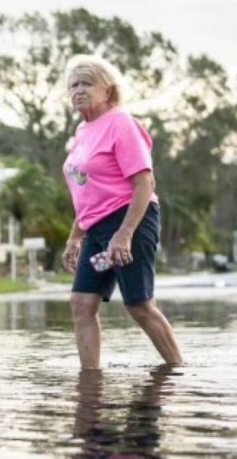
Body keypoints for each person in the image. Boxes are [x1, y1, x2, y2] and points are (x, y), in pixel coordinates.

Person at [61, 55, 182, 369]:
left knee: (139, 305)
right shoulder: (82, 132)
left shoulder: (121, 122)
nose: (78, 90)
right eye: (74, 85)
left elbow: (144, 182)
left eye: (87, 83)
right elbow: (87, 192)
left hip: (130, 219)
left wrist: (124, 234)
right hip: (96, 227)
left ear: (108, 90)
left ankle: (178, 370)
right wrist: (74, 238)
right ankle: (90, 379)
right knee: (81, 303)